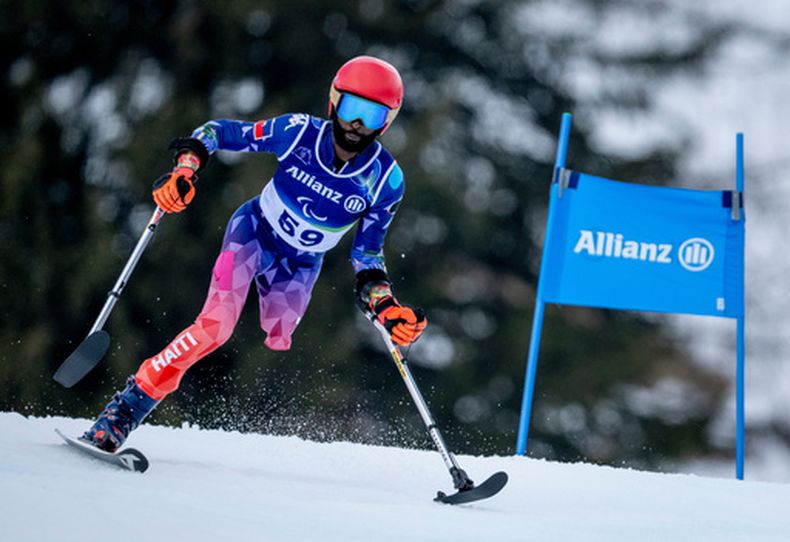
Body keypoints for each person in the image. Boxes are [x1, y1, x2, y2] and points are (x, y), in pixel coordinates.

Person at [82, 56, 427, 452]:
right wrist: (186, 168)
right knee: (215, 328)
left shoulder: (385, 181)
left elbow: (367, 254)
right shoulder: (297, 133)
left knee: (279, 334)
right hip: (252, 235)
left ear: (388, 121)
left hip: (300, 265)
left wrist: (385, 307)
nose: (357, 126)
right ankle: (124, 411)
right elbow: (220, 132)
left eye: (372, 115)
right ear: (334, 101)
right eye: (352, 109)